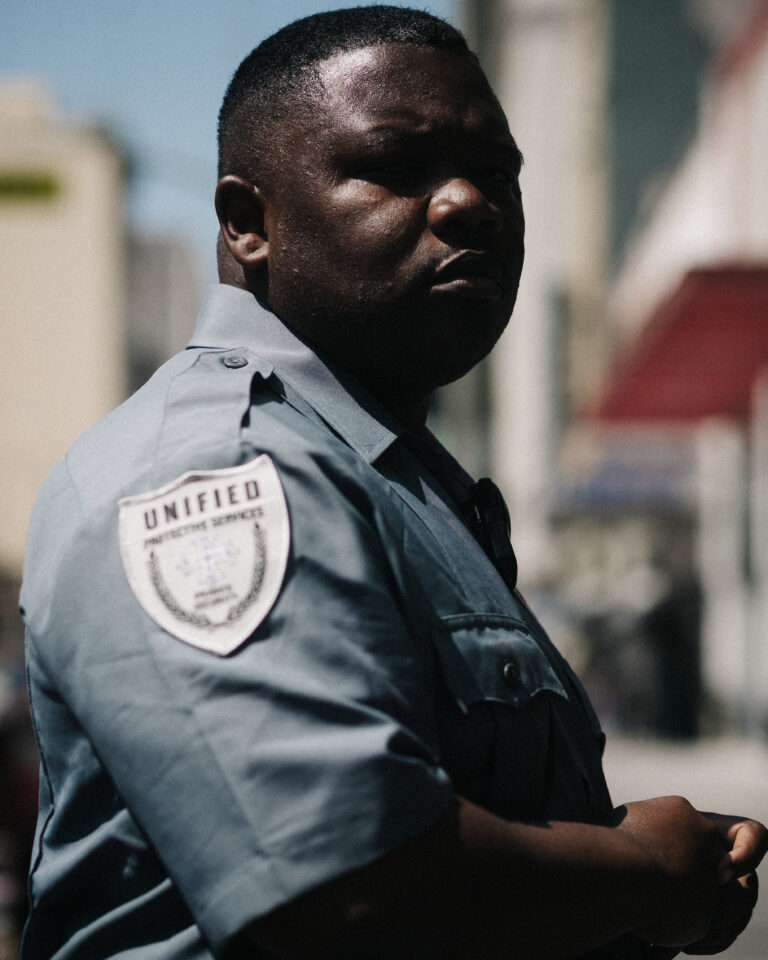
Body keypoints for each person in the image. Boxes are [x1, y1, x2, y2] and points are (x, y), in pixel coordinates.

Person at [19, 7, 766, 959]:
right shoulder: (220, 468)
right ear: (249, 224)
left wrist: (648, 866)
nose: (469, 203)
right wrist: (645, 874)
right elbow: (341, 886)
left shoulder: (391, 477)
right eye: (396, 168)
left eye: (496, 174)